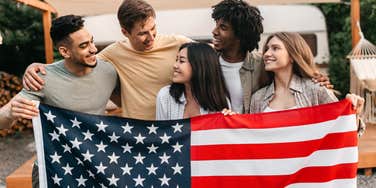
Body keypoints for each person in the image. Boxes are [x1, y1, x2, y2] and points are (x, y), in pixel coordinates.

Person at [0, 15, 119, 187]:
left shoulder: (108, 72)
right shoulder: (42, 77)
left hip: (92, 166)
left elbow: (118, 101)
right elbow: (3, 119)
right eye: (84, 46)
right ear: (65, 52)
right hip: (54, 169)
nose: (93, 49)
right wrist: (11, 113)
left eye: (92, 41)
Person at [22, 0, 191, 120]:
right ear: (125, 32)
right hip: (138, 132)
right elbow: (77, 61)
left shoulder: (179, 43)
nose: (150, 37)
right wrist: (40, 67)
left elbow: (212, 54)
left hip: (175, 128)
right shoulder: (114, 53)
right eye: (142, 33)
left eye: (153, 28)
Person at [211, 0, 332, 114]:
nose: (214, 31)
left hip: (246, 133)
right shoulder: (205, 61)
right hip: (217, 132)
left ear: (239, 34)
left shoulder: (261, 63)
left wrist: (318, 80)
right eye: (267, 48)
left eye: (223, 27)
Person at [249, 32, 364, 113]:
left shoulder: (316, 90)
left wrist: (354, 113)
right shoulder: (257, 98)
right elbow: (251, 137)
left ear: (292, 57)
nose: (266, 54)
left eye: (275, 48)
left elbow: (340, 127)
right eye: (266, 49)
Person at [156, 42, 230, 120]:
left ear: (199, 66)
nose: (175, 65)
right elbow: (162, 131)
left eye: (181, 61)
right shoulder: (165, 96)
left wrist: (231, 121)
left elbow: (222, 132)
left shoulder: (219, 100)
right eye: (176, 60)